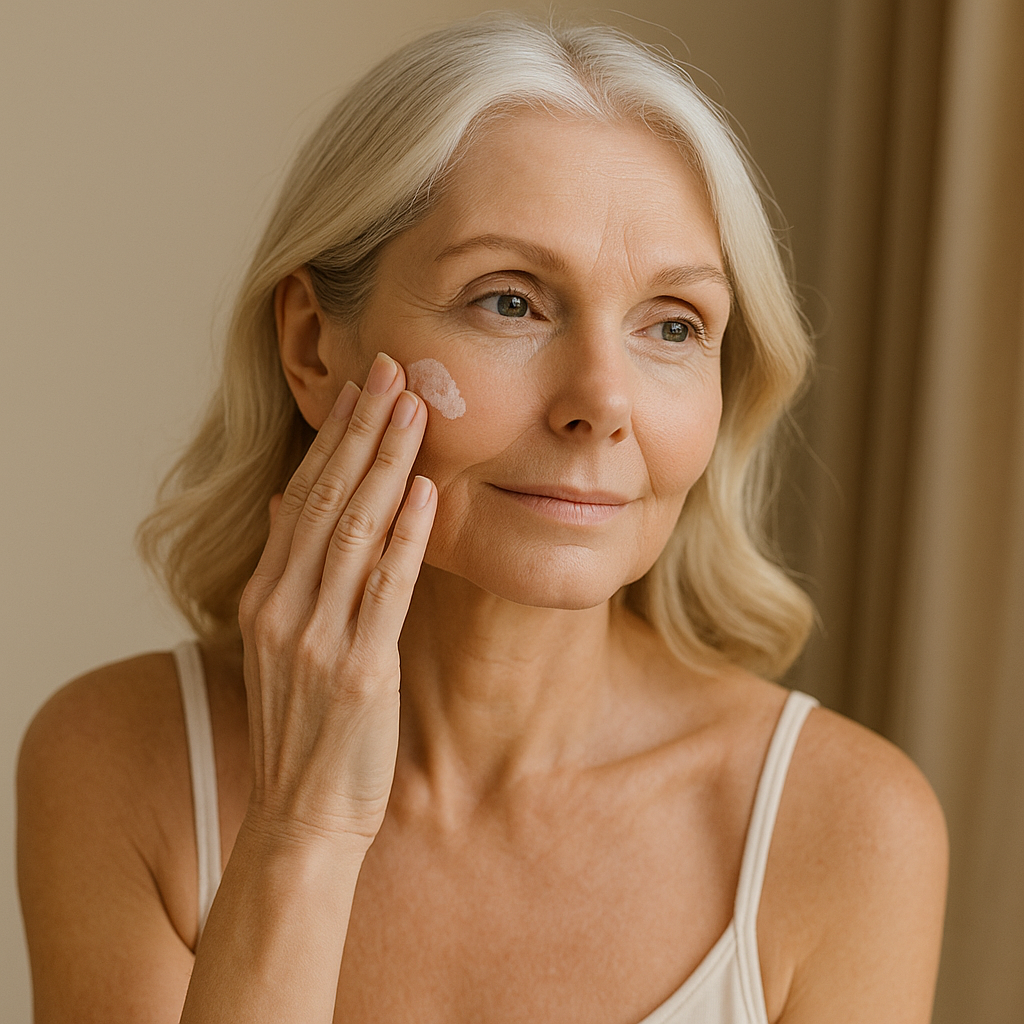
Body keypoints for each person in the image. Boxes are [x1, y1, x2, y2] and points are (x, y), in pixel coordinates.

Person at [16, 14, 948, 1024]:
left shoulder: (846, 827)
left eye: (672, 323)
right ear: (312, 348)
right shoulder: (120, 764)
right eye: (509, 302)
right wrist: (303, 827)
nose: (602, 399)